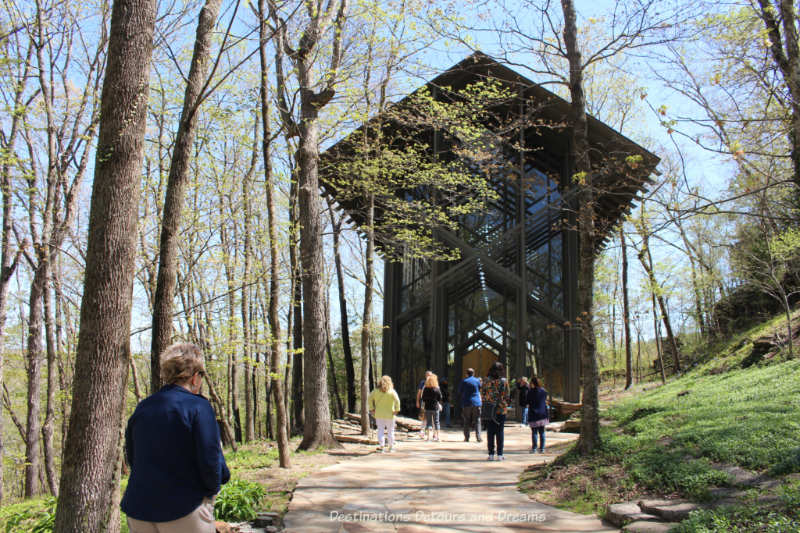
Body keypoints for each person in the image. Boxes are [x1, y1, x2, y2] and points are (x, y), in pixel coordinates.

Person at [122, 343, 230, 533]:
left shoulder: (143, 407)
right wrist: (211, 494)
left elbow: (132, 456)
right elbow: (210, 459)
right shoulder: (198, 407)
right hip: (184, 509)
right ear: (195, 377)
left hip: (139, 507)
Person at [481, 361, 510, 461]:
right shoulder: (504, 381)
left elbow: (483, 395)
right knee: (500, 431)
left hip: (489, 409)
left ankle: (491, 454)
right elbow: (507, 395)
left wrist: (488, 401)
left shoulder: (486, 381)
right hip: (501, 409)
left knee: (490, 432)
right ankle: (500, 454)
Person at [368, 375, 401, 453]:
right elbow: (397, 401)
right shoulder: (392, 391)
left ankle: (381, 447)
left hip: (379, 414)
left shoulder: (375, 391)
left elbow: (369, 398)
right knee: (390, 430)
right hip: (390, 414)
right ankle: (391, 447)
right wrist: (397, 410)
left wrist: (372, 408)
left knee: (380, 430)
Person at [527, 376, 549, 453]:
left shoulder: (530, 392)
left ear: (532, 383)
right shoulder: (544, 391)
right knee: (542, 432)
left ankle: (534, 448)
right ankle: (542, 448)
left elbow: (527, 401)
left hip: (533, 413)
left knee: (534, 432)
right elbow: (545, 400)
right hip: (542, 413)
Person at [458, 368, 482, 442]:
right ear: (473, 373)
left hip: (467, 403)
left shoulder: (464, 381)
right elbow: (480, 388)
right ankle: (478, 437)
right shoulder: (477, 381)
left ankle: (467, 438)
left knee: (466, 420)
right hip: (476, 403)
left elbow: (460, 391)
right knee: (477, 420)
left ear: (466, 374)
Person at [421, 373, 443, 441]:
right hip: (435, 407)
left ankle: (428, 438)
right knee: (436, 422)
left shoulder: (426, 389)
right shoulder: (437, 389)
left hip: (427, 407)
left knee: (428, 422)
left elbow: (423, 398)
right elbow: (440, 398)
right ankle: (438, 437)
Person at [415, 370, 432, 438]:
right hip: (424, 402)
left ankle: (431, 433)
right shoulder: (422, 383)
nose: (429, 376)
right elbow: (419, 392)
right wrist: (417, 401)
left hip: (432, 403)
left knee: (432, 418)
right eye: (428, 375)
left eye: (430, 375)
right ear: (425, 376)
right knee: (423, 417)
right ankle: (422, 432)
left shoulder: (434, 383)